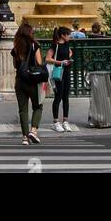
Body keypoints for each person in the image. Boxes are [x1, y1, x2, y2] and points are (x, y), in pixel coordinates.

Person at [12, 17, 45, 146]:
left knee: (22, 110)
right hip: (33, 81)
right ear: (30, 33)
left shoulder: (16, 48)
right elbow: (39, 63)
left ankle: (25, 137)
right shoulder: (35, 45)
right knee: (38, 106)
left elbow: (15, 65)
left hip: (20, 81)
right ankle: (34, 130)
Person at [46, 26, 76, 132]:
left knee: (66, 97)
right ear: (63, 35)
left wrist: (69, 58)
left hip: (67, 72)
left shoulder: (67, 45)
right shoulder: (55, 45)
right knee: (58, 97)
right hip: (59, 73)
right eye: (68, 35)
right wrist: (60, 62)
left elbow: (70, 52)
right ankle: (55, 122)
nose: (70, 37)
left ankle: (65, 121)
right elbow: (48, 58)